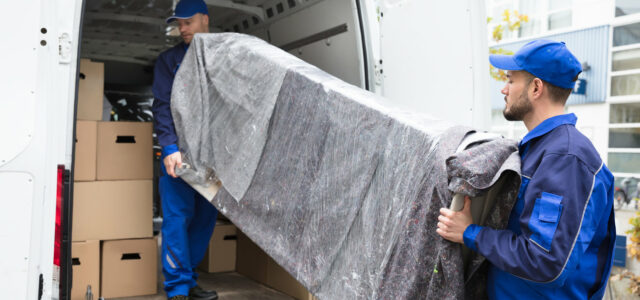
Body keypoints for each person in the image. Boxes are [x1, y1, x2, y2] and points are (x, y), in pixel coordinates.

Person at [436, 40, 615, 299]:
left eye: (510, 80)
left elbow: (545, 263)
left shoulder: (566, 159)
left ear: (535, 87)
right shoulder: (538, 149)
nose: (503, 89)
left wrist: (469, 233)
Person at [151, 0, 219, 299]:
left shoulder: (223, 57)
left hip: (213, 159)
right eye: (178, 24)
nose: (182, 28)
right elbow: (163, 106)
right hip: (179, 156)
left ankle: (189, 281)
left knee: (204, 221)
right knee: (178, 219)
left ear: (204, 19)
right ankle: (177, 288)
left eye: (187, 22)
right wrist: (168, 146)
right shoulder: (169, 61)